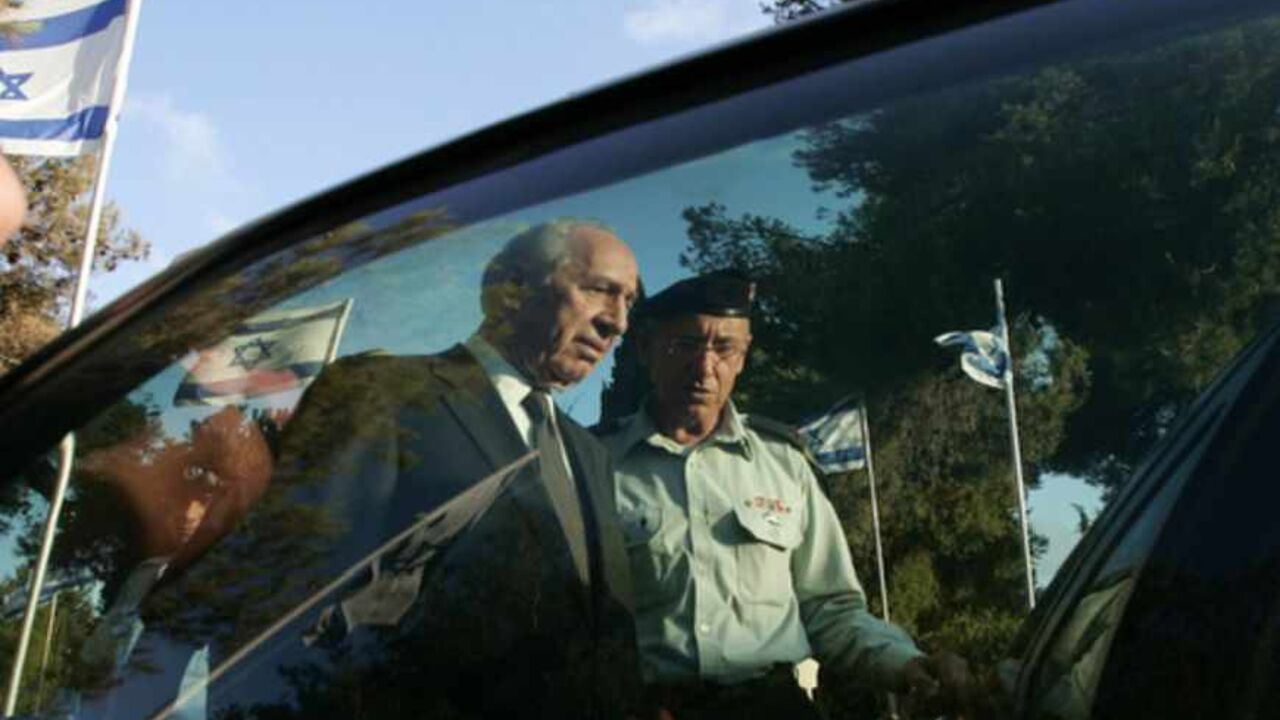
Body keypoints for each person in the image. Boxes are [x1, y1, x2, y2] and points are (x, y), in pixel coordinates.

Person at [258, 218, 645, 719]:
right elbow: (283, 618)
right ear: (508, 289)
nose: (619, 322)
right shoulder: (381, 394)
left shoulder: (590, 453)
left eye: (628, 301)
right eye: (599, 290)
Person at [596, 272, 972, 720]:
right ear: (645, 348)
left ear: (743, 356)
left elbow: (830, 608)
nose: (705, 367)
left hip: (772, 705)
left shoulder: (784, 464)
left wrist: (906, 663)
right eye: (686, 345)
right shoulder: (593, 464)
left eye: (724, 348)